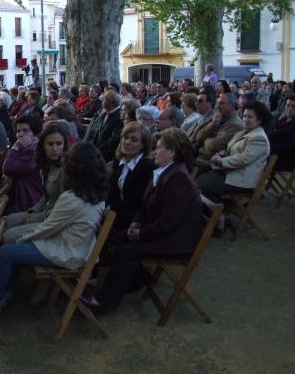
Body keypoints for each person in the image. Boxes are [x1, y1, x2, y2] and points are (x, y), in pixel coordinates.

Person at [0, 142, 108, 313]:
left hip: (67, 252)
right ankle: (1, 292)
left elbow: (47, 228)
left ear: (74, 169)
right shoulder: (96, 193)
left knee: (6, 253)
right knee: (12, 249)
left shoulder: (72, 198)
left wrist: (22, 239)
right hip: (79, 248)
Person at [85, 128, 203, 311]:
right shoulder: (166, 171)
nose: (155, 152)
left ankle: (105, 302)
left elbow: (169, 222)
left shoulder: (178, 178)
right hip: (163, 231)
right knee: (116, 237)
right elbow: (146, 205)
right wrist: (136, 223)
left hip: (176, 240)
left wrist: (140, 233)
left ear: (171, 152)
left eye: (160, 148)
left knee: (128, 250)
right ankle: (137, 279)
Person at [196, 100, 271, 234]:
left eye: (250, 117)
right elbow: (229, 149)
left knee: (201, 186)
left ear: (259, 120)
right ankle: (212, 214)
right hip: (230, 171)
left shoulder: (259, 138)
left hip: (242, 178)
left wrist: (221, 161)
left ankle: (220, 219)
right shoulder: (244, 132)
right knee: (198, 178)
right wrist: (219, 155)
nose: (245, 119)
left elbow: (244, 159)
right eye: (244, 116)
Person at [3, 121, 68, 243]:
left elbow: (62, 209)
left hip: (56, 222)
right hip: (43, 212)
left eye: (59, 144)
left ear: (64, 145)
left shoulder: (66, 169)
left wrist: (33, 218)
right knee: (4, 222)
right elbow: (45, 196)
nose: (55, 148)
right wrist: (32, 211)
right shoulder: (48, 163)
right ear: (43, 145)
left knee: (9, 234)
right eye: (50, 144)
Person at [107, 122, 155, 233]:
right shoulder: (119, 159)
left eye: (134, 140)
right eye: (125, 137)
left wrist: (111, 210)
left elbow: (136, 202)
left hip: (132, 219)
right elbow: (112, 190)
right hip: (114, 212)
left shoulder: (147, 166)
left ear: (143, 145)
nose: (127, 142)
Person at [2, 115, 42, 212]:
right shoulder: (28, 147)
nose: (20, 134)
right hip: (21, 195)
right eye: (18, 131)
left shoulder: (33, 151)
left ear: (34, 133)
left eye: (25, 130)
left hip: (28, 202)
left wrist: (15, 147)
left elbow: (7, 168)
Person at [90, 90, 123, 162]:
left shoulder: (119, 117)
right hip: (97, 151)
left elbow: (113, 138)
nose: (102, 101)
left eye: (104, 99)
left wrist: (100, 150)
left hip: (107, 155)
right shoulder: (105, 114)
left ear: (110, 101)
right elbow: (98, 131)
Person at [270, 94, 295, 172]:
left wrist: (268, 149)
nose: (290, 108)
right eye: (288, 105)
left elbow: (288, 146)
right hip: (273, 152)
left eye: (293, 106)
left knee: (255, 159)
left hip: (284, 158)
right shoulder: (283, 119)